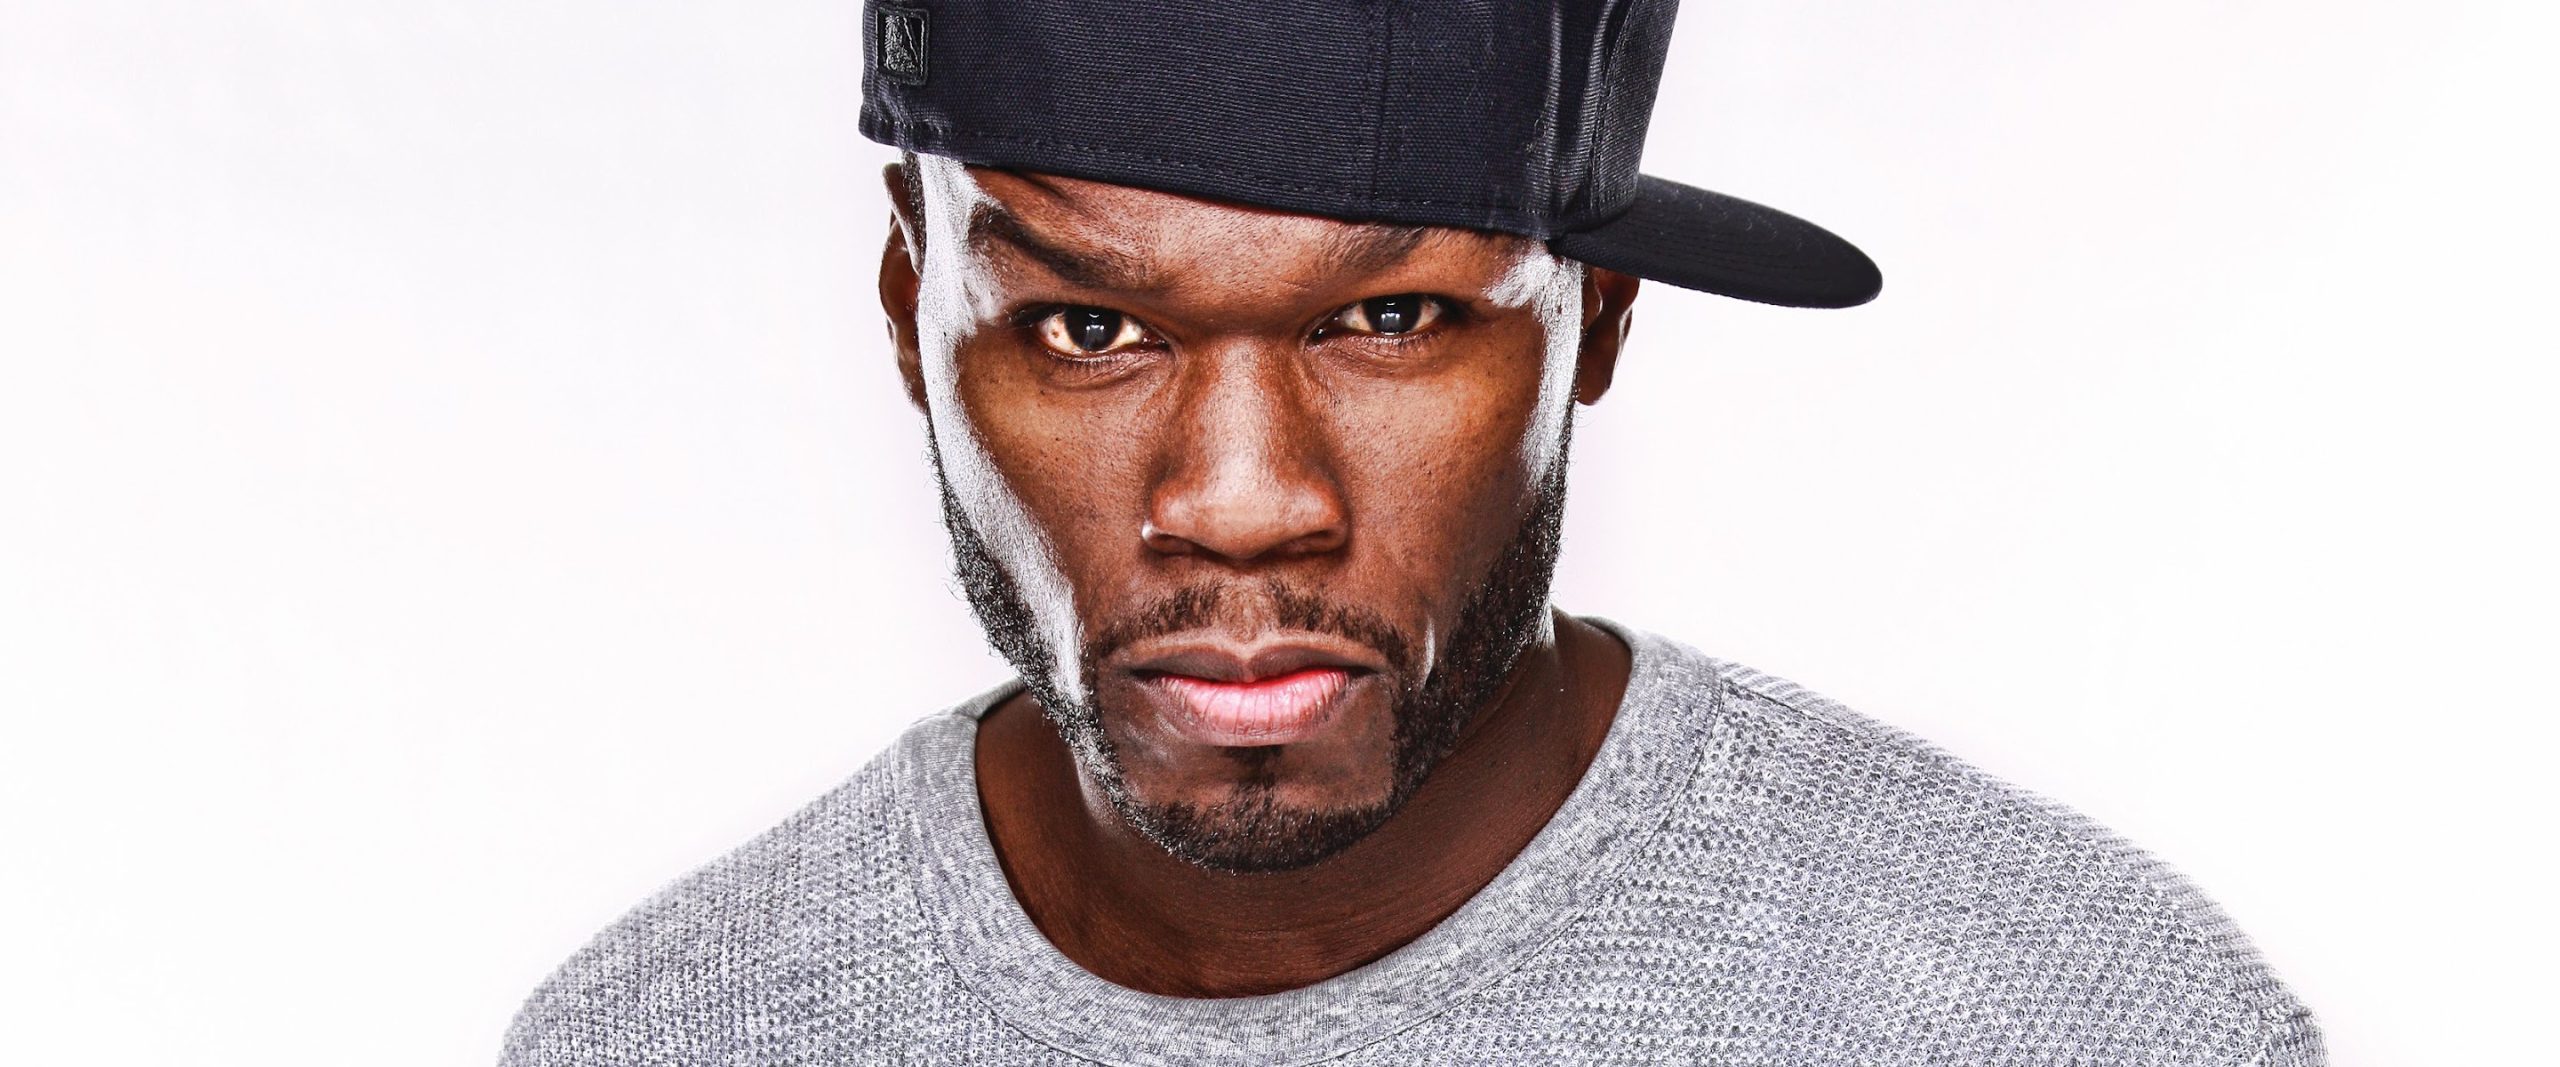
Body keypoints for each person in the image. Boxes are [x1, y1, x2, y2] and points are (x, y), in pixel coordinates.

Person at [502, 2, 2321, 1063]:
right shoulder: (673, 1037)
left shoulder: (2055, 1021)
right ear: (913, 314)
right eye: (1090, 328)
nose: (1241, 504)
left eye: (1389, 320)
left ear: (1594, 316)